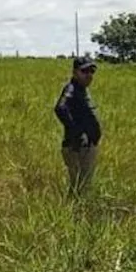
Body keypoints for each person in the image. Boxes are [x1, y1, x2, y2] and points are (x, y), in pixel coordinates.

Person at [53, 55, 101, 197]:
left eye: (92, 71)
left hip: (86, 146)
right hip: (78, 148)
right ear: (75, 72)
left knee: (82, 186)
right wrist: (78, 133)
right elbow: (60, 108)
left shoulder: (81, 90)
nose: (89, 75)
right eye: (84, 71)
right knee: (80, 188)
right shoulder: (72, 88)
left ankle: (77, 215)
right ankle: (75, 216)